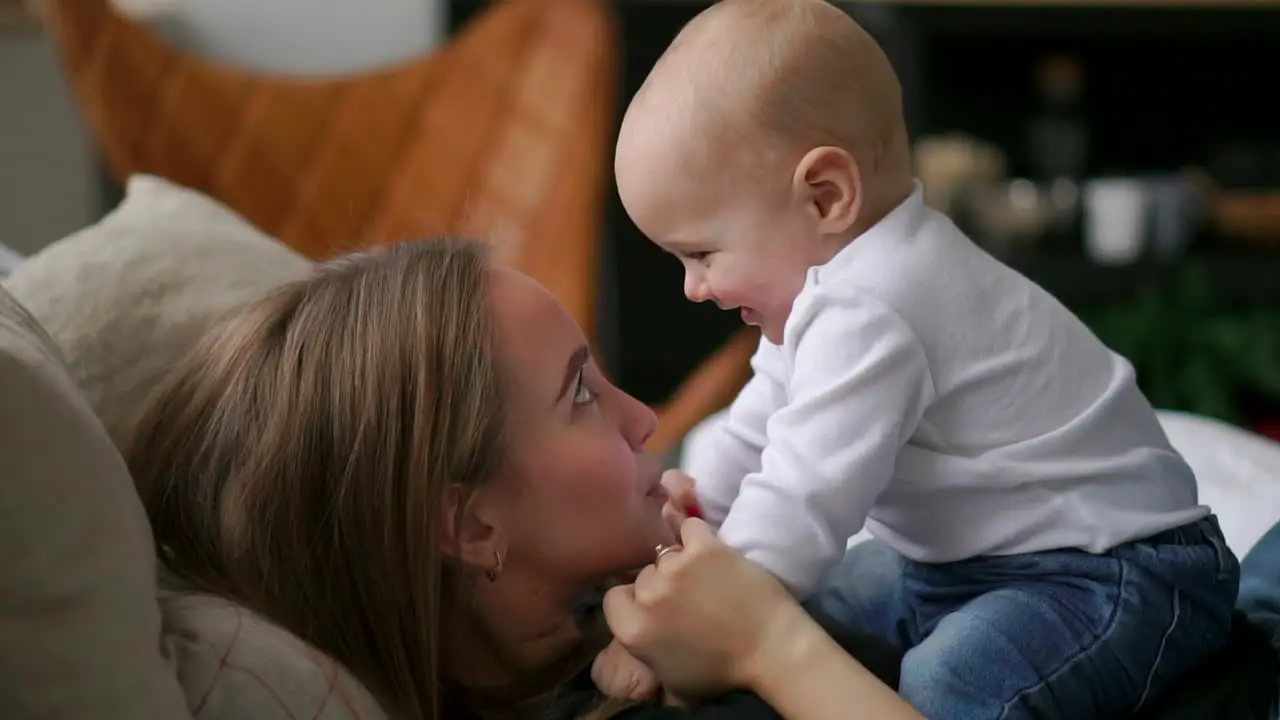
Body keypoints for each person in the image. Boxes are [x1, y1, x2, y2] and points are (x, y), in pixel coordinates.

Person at [605, 0, 1240, 716]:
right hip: (970, 569)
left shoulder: (874, 305)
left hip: (1117, 574)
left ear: (825, 196)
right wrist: (704, 520)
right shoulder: (834, 291)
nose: (693, 289)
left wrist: (686, 632)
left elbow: (803, 495)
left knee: (950, 683)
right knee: (832, 594)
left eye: (701, 254)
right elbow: (760, 425)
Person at [126, 238, 922, 720]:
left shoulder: (607, 644)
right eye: (581, 392)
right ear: (472, 527)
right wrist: (770, 643)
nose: (644, 420)